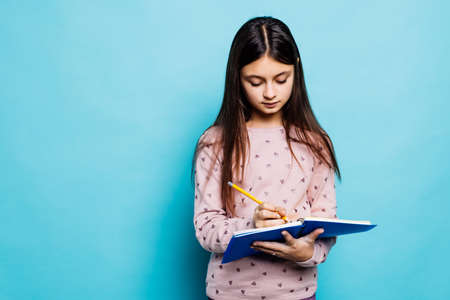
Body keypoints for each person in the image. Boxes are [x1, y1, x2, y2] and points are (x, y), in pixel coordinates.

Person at [191, 16, 341, 300]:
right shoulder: (215, 142)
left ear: (296, 67)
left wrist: (309, 252)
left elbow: (325, 222)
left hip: (298, 293)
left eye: (281, 79)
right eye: (256, 82)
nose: (270, 93)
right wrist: (251, 226)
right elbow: (206, 227)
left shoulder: (316, 143)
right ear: (238, 77)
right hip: (229, 293)